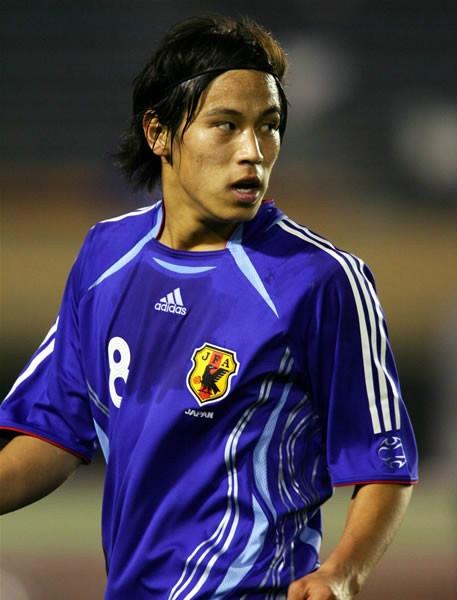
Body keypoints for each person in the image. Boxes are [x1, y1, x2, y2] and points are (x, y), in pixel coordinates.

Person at [0, 14, 418, 600]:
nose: (253, 152)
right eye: (226, 125)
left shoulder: (320, 280)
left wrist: (341, 573)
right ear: (159, 133)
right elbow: (55, 432)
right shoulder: (105, 256)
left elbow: (382, 459)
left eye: (268, 127)